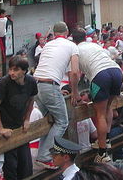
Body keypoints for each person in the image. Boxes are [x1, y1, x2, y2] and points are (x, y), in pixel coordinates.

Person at [71, 28, 123, 163]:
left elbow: (75, 73)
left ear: (73, 39)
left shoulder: (75, 50)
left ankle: (102, 152)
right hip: (116, 71)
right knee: (108, 107)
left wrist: (75, 92)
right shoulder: (94, 44)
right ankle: (105, 139)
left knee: (99, 113)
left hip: (100, 75)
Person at [33, 21, 80, 170]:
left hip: (37, 85)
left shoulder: (47, 45)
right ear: (67, 33)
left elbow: (46, 65)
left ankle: (39, 155)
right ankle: (45, 156)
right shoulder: (72, 46)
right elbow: (74, 72)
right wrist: (75, 91)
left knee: (46, 121)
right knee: (62, 122)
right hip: (49, 85)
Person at [0, 56, 37, 180]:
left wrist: (27, 119)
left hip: (19, 127)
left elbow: (31, 100)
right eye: (10, 69)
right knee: (10, 166)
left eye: (15, 70)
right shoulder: (4, 83)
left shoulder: (31, 82)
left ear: (24, 71)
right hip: (6, 129)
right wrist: (0, 128)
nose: (11, 73)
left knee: (25, 165)